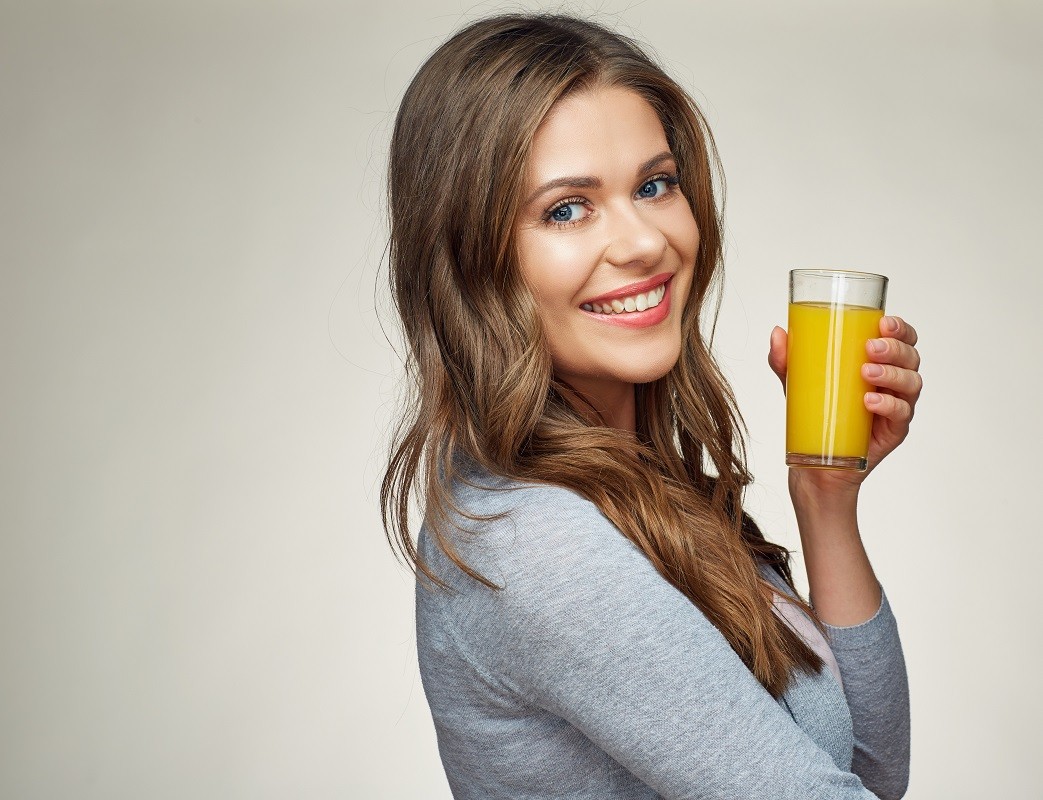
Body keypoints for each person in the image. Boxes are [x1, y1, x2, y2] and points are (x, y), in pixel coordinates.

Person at [381, 13, 920, 800]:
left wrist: (824, 493)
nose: (642, 242)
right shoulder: (535, 540)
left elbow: (868, 772)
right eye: (566, 208)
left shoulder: (630, 489)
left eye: (654, 185)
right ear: (469, 257)